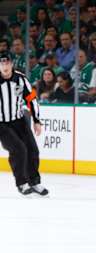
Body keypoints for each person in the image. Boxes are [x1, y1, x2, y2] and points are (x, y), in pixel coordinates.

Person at [0, 51, 48, 196]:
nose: (5, 65)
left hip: (19, 120)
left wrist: (37, 120)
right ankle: (21, 182)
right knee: (19, 149)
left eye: (7, 62)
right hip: (1, 124)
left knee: (33, 150)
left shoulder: (21, 79)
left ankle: (34, 182)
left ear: (12, 64)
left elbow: (32, 99)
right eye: (2, 63)